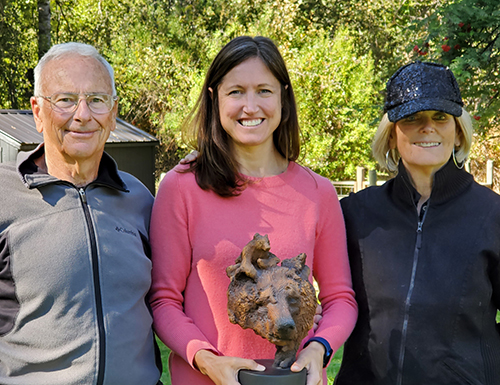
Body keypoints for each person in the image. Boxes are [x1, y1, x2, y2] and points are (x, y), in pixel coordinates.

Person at [149, 36, 358, 385]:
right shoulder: (181, 187)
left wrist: (320, 347)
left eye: (264, 90)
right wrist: (206, 359)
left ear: (283, 99)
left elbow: (340, 298)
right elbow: (163, 300)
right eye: (236, 92)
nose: (250, 106)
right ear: (215, 99)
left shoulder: (318, 192)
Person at [0, 42, 161, 384]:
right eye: (65, 99)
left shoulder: (141, 201)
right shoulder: (4, 195)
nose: (83, 114)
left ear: (113, 112)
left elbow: (171, 300)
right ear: (38, 112)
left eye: (97, 100)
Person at [335, 61, 500, 384]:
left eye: (441, 117)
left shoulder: (492, 216)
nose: (428, 127)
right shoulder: (355, 214)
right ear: (392, 134)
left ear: (458, 131)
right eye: (412, 118)